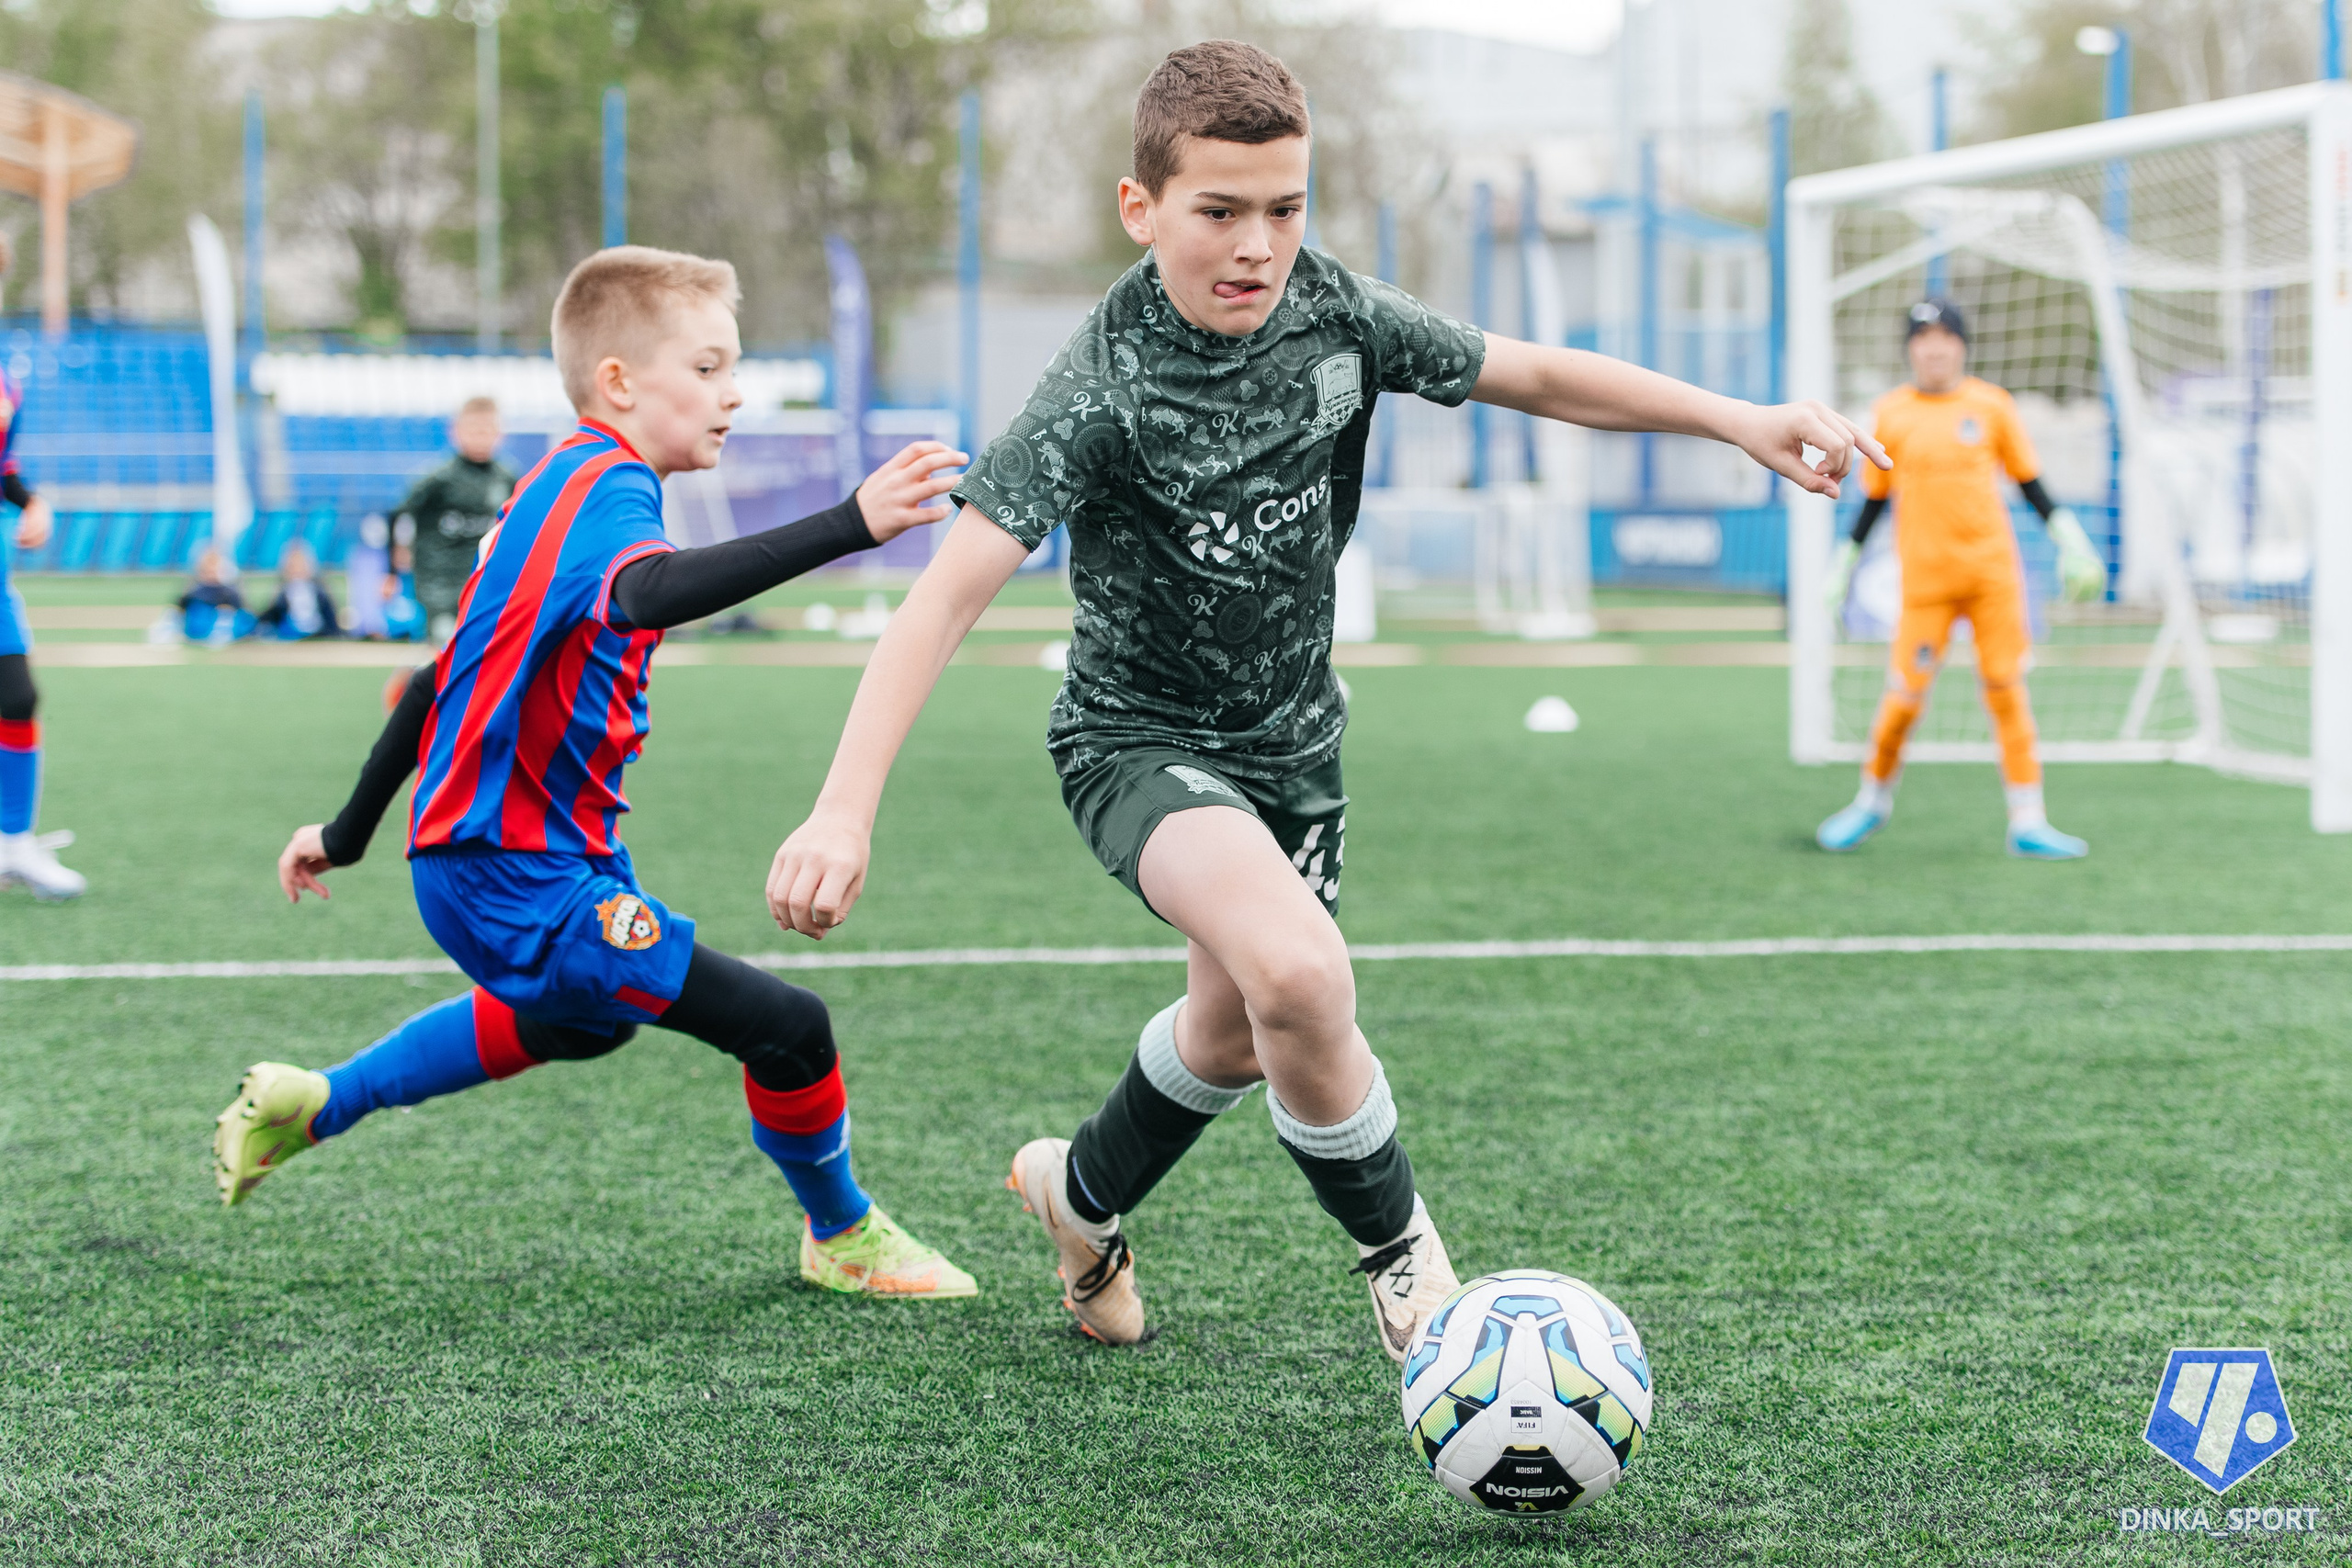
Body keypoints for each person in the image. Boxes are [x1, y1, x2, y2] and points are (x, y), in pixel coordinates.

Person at [764, 40, 1885, 1356]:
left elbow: (1530, 371)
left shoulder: (1334, 313)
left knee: (1235, 1036)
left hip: (1296, 743)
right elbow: (944, 594)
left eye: (1285, 210)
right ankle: (1421, 1280)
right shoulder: (1096, 388)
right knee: (1301, 970)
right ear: (1143, 209)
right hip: (1140, 746)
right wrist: (844, 809)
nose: (1256, 246)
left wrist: (1736, 417)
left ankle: (1078, 1195)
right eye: (1219, 212)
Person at [216, 245, 981, 1301]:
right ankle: (840, 1232)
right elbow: (649, 593)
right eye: (708, 367)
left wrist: (344, 835)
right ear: (618, 380)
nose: (735, 393)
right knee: (789, 1028)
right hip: (514, 872)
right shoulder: (609, 492)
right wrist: (850, 524)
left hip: (510, 860)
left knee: (581, 1022)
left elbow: (440, 681)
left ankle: (318, 1102)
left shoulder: (546, 491)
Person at [1816, 299, 2104, 860]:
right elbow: (1873, 504)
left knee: (2007, 692)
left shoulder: (1992, 407)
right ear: (1910, 349)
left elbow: (2031, 485)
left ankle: (2028, 819)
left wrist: (2072, 541)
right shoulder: (1891, 413)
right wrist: (1842, 564)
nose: (1935, 347)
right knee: (1903, 699)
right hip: (1925, 586)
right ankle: (1871, 801)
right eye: (1924, 337)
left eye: (1945, 336)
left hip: (1994, 581)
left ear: (1963, 344)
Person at [0, 228, 85, 901]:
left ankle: (15, 845)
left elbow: (4, 468)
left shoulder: (6, 376)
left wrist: (34, 501)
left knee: (18, 699)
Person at [397, 396, 516, 645]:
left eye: (486, 431)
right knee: (444, 654)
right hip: (439, 587)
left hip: (487, 588)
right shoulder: (437, 479)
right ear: (456, 432)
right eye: (473, 430)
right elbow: (400, 515)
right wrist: (394, 562)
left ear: (499, 434)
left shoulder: (509, 479)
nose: (480, 437)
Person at [253, 539, 343, 640]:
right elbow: (272, 615)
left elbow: (329, 615)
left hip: (318, 633)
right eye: (292, 564)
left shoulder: (319, 590)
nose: (296, 568)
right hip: (290, 634)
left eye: (299, 563)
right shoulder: (283, 591)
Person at [175, 546, 252, 643]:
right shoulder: (196, 590)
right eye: (207, 571)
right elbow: (182, 605)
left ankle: (221, 632)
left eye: (213, 570)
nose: (211, 574)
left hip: (226, 622)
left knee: (228, 612)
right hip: (201, 624)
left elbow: (241, 607)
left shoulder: (229, 590)